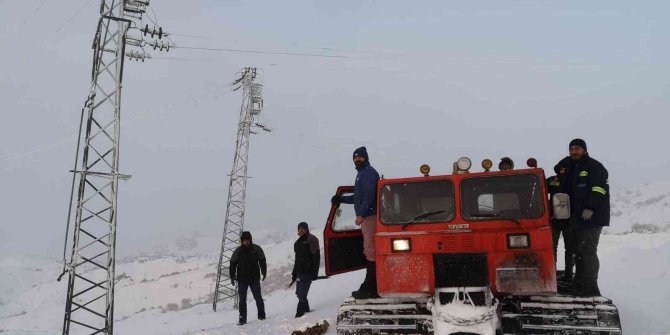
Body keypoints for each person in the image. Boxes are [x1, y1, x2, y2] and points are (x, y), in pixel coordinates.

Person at [554, 139, 610, 297]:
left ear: (584, 150)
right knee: (577, 252)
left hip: (591, 218)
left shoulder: (594, 166)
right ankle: (578, 285)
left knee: (587, 253)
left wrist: (590, 208)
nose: (573, 152)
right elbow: (558, 168)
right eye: (571, 149)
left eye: (577, 149)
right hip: (576, 218)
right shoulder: (572, 168)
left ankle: (590, 288)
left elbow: (599, 189)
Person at [331, 146, 380, 299]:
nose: (357, 159)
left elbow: (369, 196)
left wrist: (362, 214)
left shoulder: (369, 173)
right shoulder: (361, 174)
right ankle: (371, 283)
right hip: (367, 217)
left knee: (371, 250)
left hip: (370, 216)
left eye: (360, 157)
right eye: (355, 157)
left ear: (365, 158)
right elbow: (358, 197)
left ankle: (371, 286)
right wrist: (342, 199)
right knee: (369, 249)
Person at [229, 231, 267, 325]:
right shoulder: (238, 251)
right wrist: (232, 276)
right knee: (242, 300)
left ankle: (261, 316)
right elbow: (232, 263)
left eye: (247, 240)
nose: (246, 242)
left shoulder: (256, 249)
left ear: (250, 240)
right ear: (241, 241)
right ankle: (242, 319)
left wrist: (264, 271)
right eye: (244, 240)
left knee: (258, 298)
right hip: (242, 280)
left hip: (254, 279)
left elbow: (262, 260)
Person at [546, 167, 576, 282]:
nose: (563, 171)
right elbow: (540, 189)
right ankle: (551, 274)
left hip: (570, 220)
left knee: (570, 248)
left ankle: (569, 275)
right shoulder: (552, 180)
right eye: (561, 168)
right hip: (554, 219)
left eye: (565, 168)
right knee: (551, 248)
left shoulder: (574, 180)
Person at [291, 221, 321, 318]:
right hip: (299, 272)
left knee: (302, 294)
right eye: (299, 229)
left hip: (308, 272)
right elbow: (297, 260)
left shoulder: (311, 239)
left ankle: (299, 313)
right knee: (298, 293)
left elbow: (316, 257)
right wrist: (294, 273)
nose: (301, 230)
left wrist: (314, 272)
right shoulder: (297, 243)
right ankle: (307, 309)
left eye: (303, 228)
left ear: (307, 229)